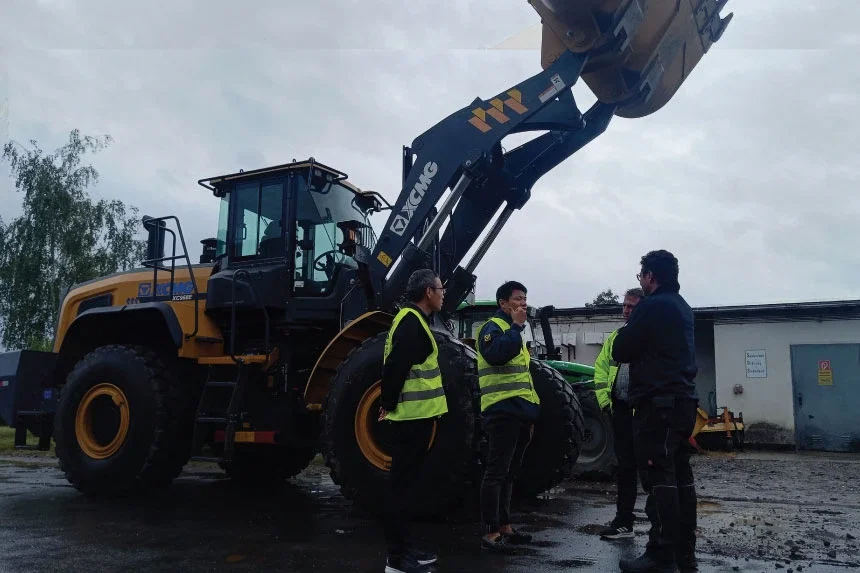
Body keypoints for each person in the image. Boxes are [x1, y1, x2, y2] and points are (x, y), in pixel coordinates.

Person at [612, 250, 699, 573]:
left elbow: (621, 349)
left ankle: (660, 553)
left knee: (658, 474)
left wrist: (630, 327)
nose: (641, 283)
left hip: (658, 405)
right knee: (679, 474)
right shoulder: (682, 307)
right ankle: (683, 548)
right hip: (683, 402)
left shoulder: (652, 306)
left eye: (641, 277)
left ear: (650, 276)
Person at [379, 268, 448, 573]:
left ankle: (406, 549)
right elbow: (395, 367)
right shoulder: (411, 323)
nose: (443, 293)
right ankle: (396, 560)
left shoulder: (415, 320)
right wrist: (388, 403)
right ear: (428, 293)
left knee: (406, 488)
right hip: (409, 421)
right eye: (440, 288)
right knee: (400, 489)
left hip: (416, 419)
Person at [475, 280, 541, 553]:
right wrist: (516, 327)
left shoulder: (517, 331)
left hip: (520, 411)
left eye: (525, 298)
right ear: (503, 303)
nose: (523, 303)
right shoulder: (492, 328)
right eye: (518, 299)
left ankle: (504, 525)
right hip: (502, 410)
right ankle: (490, 530)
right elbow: (497, 355)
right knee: (496, 472)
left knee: (510, 472)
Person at [595, 287, 644, 541]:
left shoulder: (650, 335)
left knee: (649, 469)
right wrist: (606, 403)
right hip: (622, 411)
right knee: (625, 469)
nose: (626, 310)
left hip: (644, 414)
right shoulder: (616, 336)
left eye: (632, 306)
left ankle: (663, 527)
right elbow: (601, 368)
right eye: (625, 305)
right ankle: (624, 521)